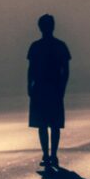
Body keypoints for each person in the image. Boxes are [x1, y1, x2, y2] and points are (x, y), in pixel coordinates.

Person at [27, 13, 70, 169]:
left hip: (40, 88)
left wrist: (29, 85)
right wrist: (62, 87)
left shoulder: (35, 47)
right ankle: (52, 155)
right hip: (54, 88)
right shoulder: (60, 46)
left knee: (43, 124)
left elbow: (30, 69)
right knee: (54, 124)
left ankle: (47, 154)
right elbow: (65, 70)